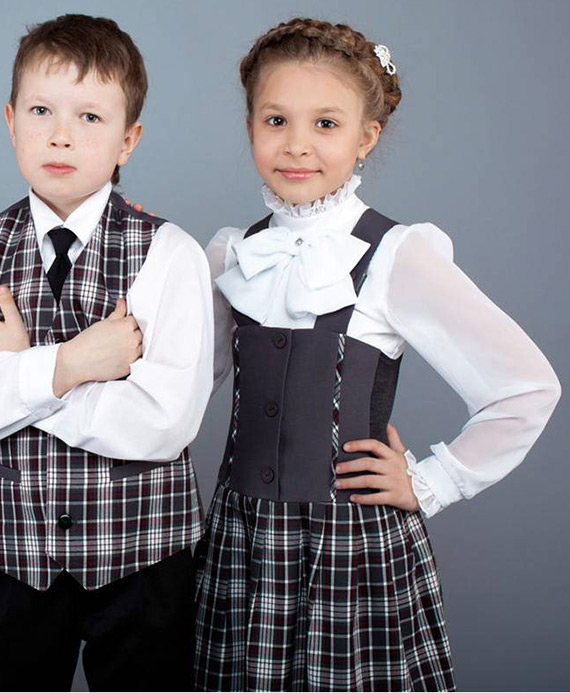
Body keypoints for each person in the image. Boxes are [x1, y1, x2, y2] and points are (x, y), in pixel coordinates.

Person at [193, 17, 561, 691]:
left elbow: (527, 386)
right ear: (250, 124)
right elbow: (181, 389)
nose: (297, 144)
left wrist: (432, 481)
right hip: (242, 545)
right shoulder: (231, 253)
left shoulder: (396, 254)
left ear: (366, 137)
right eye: (276, 119)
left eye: (326, 124)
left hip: (348, 548)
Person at [0, 13, 213, 692]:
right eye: (42, 110)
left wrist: (15, 377)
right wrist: (71, 364)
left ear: (128, 139)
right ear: (11, 119)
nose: (61, 133)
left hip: (145, 566)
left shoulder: (170, 255)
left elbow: (163, 425)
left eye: (90, 117)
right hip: (16, 567)